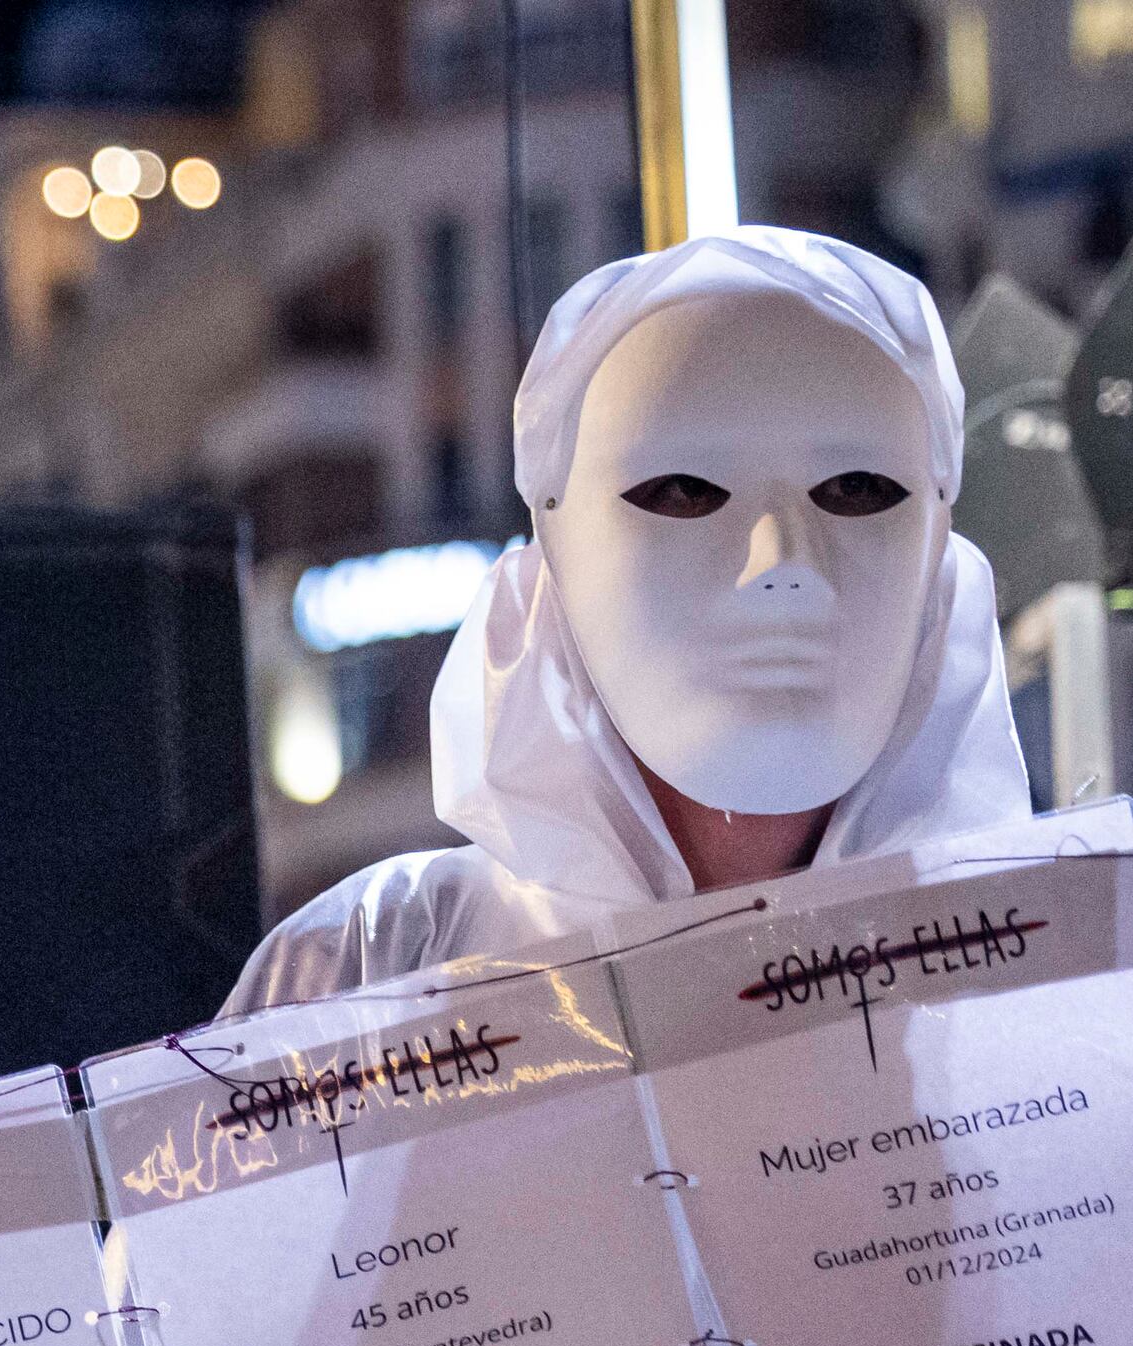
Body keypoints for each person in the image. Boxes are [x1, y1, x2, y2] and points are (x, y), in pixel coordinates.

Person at [227, 225, 1032, 1014]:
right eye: (683, 491)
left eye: (857, 488)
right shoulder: (365, 975)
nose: (782, 562)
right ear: (557, 545)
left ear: (940, 541)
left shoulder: (1053, 966)